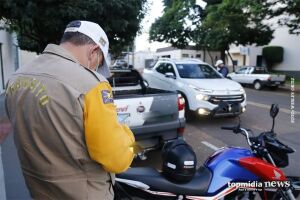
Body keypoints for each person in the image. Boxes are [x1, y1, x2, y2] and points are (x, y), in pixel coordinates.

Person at [5, 20, 135, 200]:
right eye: (99, 62)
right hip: (84, 193)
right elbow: (115, 158)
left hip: (39, 189)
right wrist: (128, 136)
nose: (96, 68)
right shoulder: (91, 84)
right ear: (94, 51)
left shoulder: (17, 78)